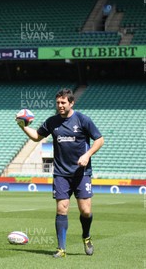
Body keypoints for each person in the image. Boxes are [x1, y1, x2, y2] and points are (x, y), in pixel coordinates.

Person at [17, 88, 104, 259]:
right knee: (61, 209)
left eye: (63, 102)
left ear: (71, 103)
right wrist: (23, 126)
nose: (60, 105)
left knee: (85, 211)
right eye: (58, 102)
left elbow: (99, 140)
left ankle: (86, 236)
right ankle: (61, 249)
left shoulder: (82, 119)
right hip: (61, 174)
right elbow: (36, 136)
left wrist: (87, 155)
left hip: (82, 173)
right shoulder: (52, 121)